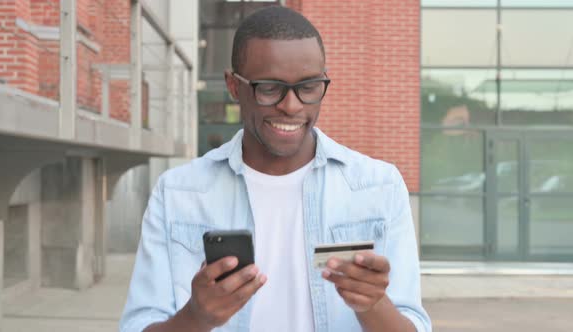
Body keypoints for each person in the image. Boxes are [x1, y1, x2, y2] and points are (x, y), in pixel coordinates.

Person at [120, 6, 431, 332]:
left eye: (309, 86)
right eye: (269, 87)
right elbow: (138, 325)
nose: (292, 105)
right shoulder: (178, 193)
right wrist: (196, 318)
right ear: (233, 86)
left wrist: (374, 305)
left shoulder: (379, 187)